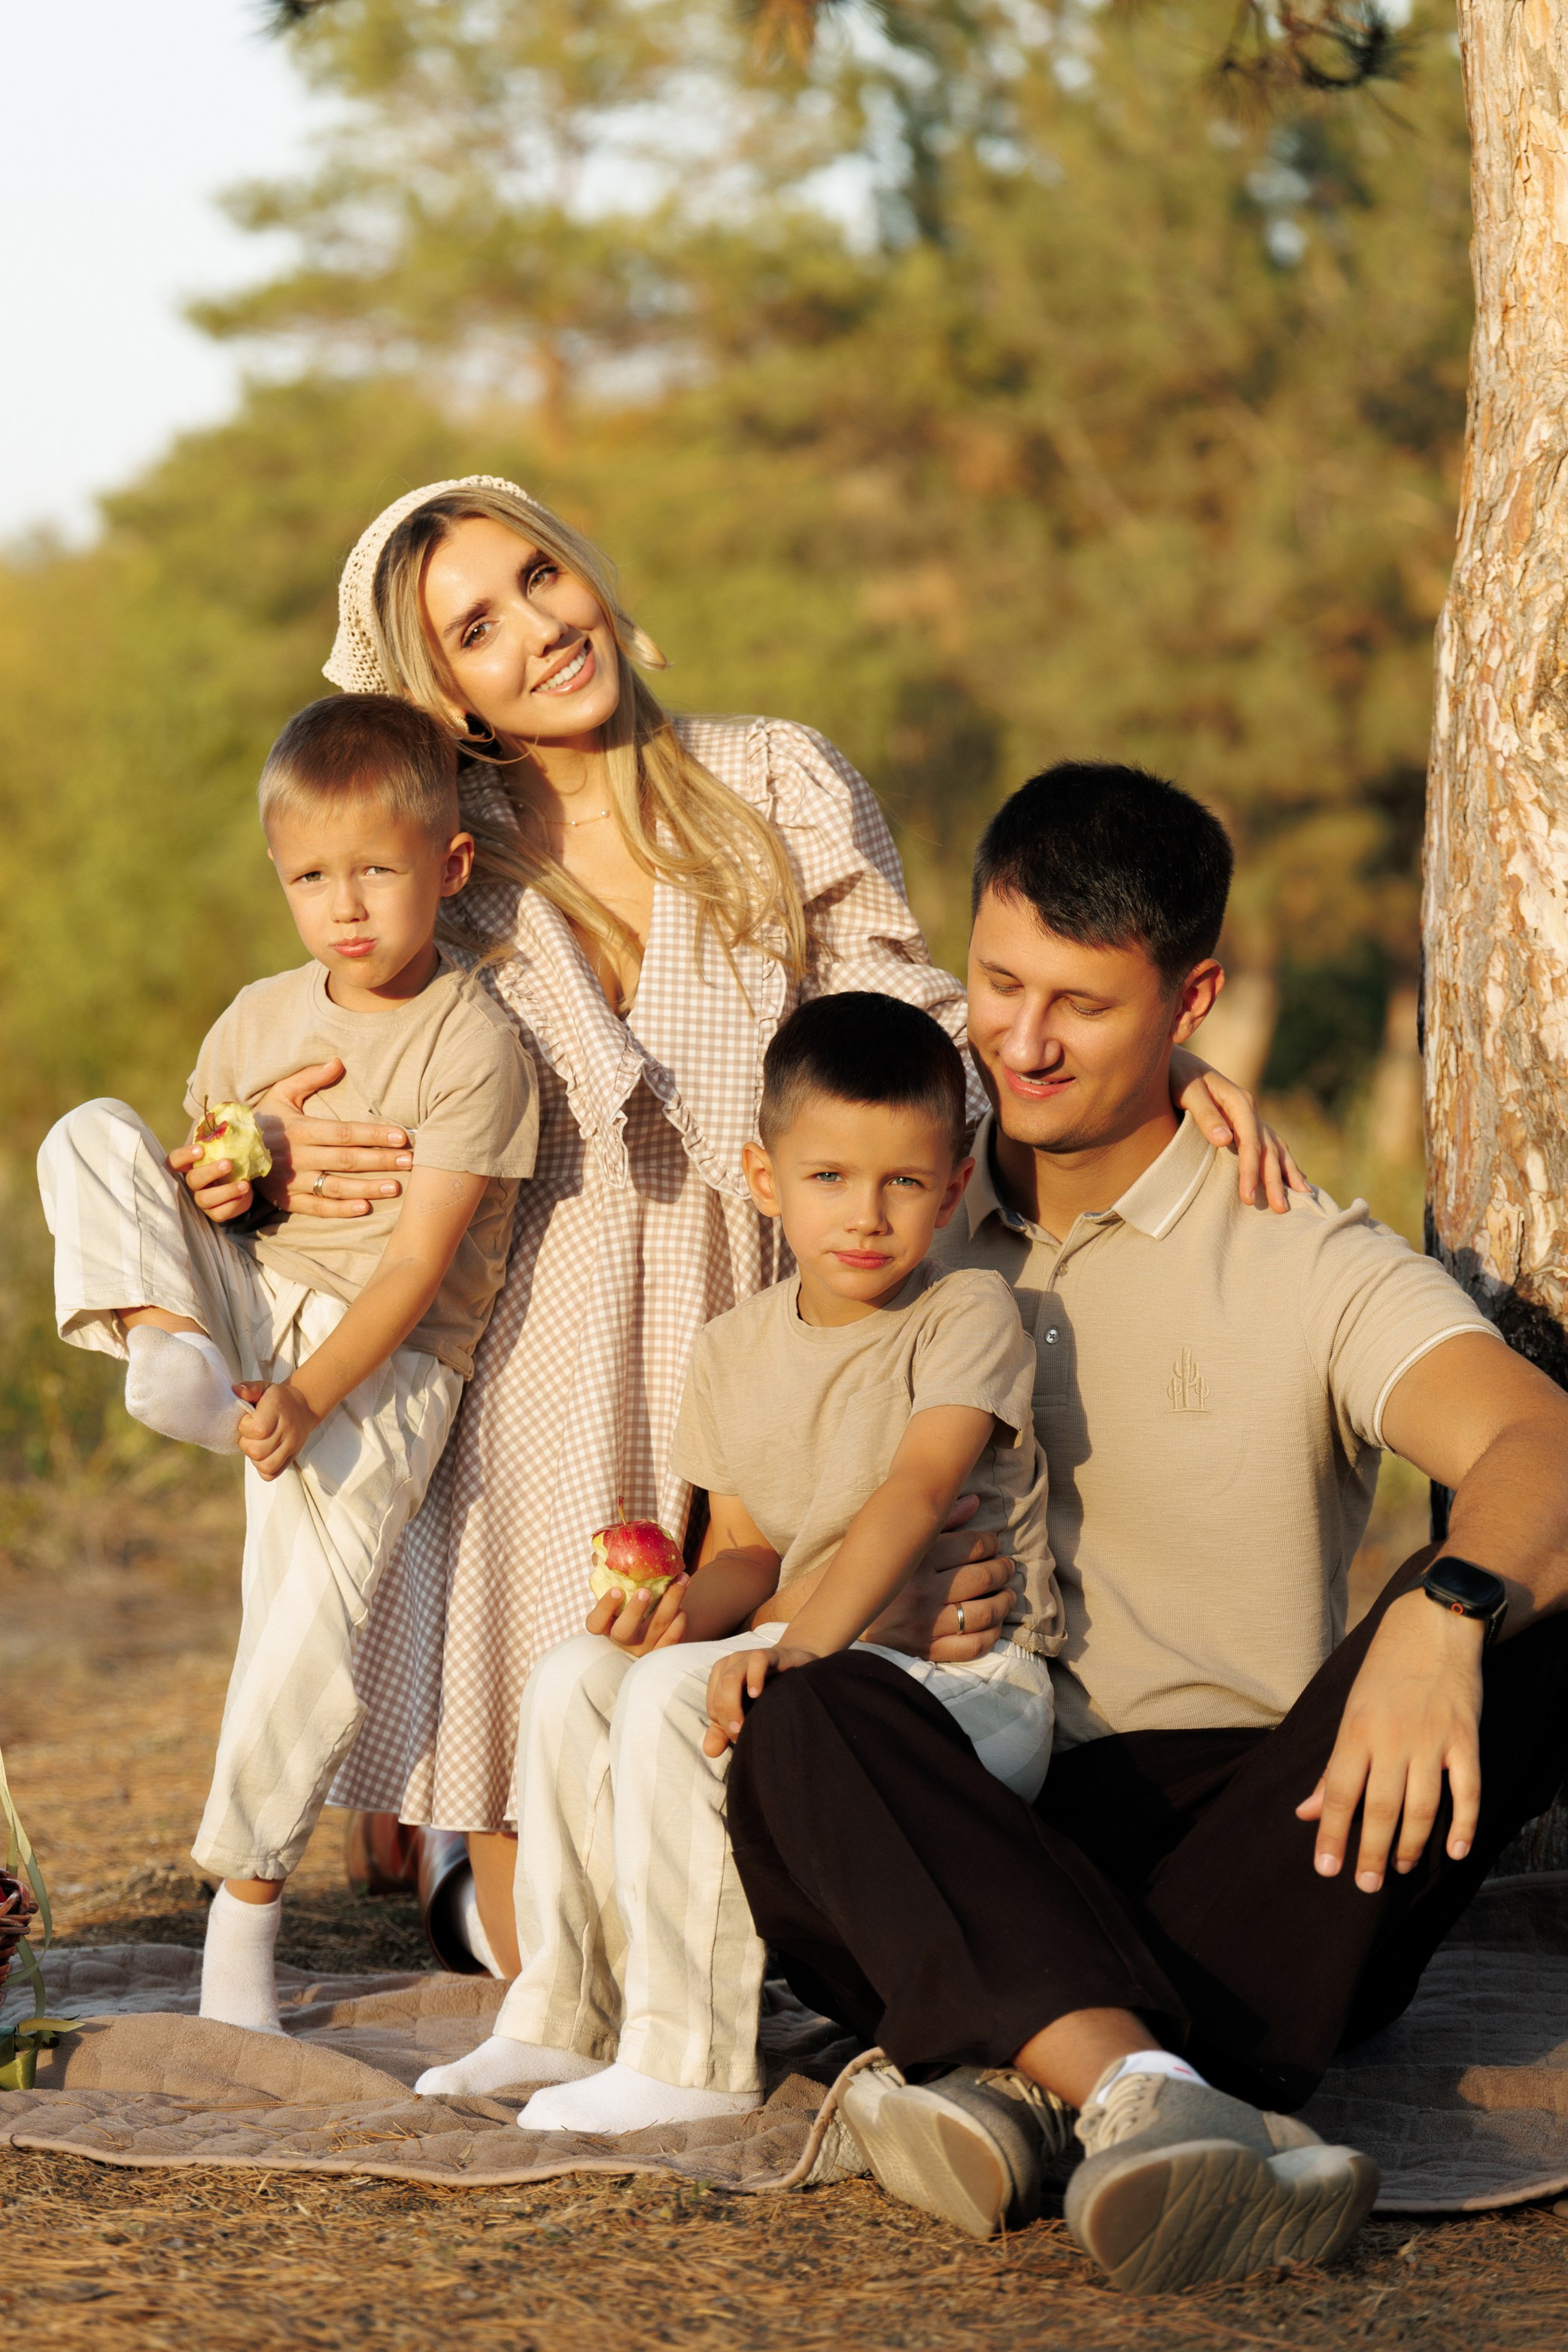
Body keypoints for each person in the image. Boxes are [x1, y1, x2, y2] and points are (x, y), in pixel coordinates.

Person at [172, 477, 1288, 1969]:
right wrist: (269, 1159)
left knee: (757, 1816)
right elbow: (353, 1029)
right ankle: (456, 1860)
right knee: (574, 1910)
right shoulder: (447, 846)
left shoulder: (776, 781)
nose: (540, 628)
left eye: (539, 573)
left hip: (767, 1348)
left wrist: (1132, 1056)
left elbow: (911, 1028)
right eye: (477, 629)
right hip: (532, 1383)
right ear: (445, 690)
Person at [724, 761, 1568, 2293]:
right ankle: (1150, 2096)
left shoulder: (1301, 1250)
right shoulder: (891, 1206)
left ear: (1191, 1005)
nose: (1020, 1042)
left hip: (1260, 1850)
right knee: (809, 1710)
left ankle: (1015, 2080)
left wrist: (1440, 1616)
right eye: (995, 983)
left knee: (1543, 1608)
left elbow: (1539, 1439)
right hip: (959, 1799)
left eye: (1082, 1006)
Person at [413, 991, 1062, 2132]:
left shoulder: (967, 1311)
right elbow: (749, 1550)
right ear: (766, 1179)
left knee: (674, 1697)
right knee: (579, 1674)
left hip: (971, 1687)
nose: (866, 1213)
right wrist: (679, 1611)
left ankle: (692, 2057)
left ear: (954, 1185)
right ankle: (564, 2013)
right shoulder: (734, 1346)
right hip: (819, 1648)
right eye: (830, 1177)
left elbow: (916, 1492)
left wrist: (792, 1651)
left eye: (904, 1182)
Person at [36, 694, 536, 2033]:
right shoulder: (258, 1016)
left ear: (451, 867)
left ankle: (243, 1933)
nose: (348, 907)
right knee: (87, 1131)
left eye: (378, 869)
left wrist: (311, 1394)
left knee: (300, 1618)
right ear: (280, 876)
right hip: (244, 1304)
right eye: (313, 877)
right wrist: (220, 1166)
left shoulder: (474, 1042)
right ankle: (168, 1350)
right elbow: (212, 1182)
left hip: (378, 1363)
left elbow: (422, 1262)